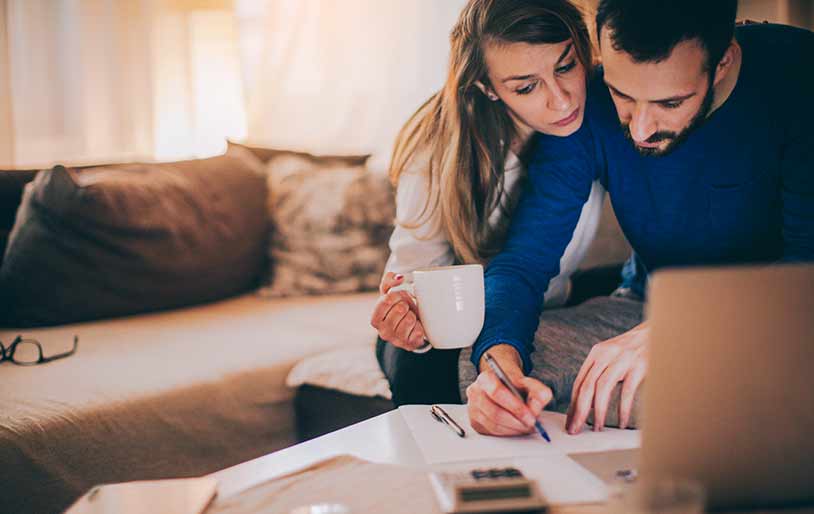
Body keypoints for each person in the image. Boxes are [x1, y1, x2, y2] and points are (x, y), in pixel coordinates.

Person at [466, 0, 814, 436]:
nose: (640, 130)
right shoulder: (587, 103)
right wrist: (498, 365)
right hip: (644, 307)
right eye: (623, 95)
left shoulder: (799, 78)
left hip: (783, 318)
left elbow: (806, 271)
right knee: (488, 372)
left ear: (722, 61)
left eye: (669, 102)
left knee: (725, 392)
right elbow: (524, 260)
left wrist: (683, 327)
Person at [370, 0, 606, 406]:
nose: (562, 99)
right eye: (527, 87)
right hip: (457, 319)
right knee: (427, 368)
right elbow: (414, 274)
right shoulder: (438, 150)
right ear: (487, 88)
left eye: (565, 67)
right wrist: (405, 314)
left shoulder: (609, 109)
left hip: (553, 295)